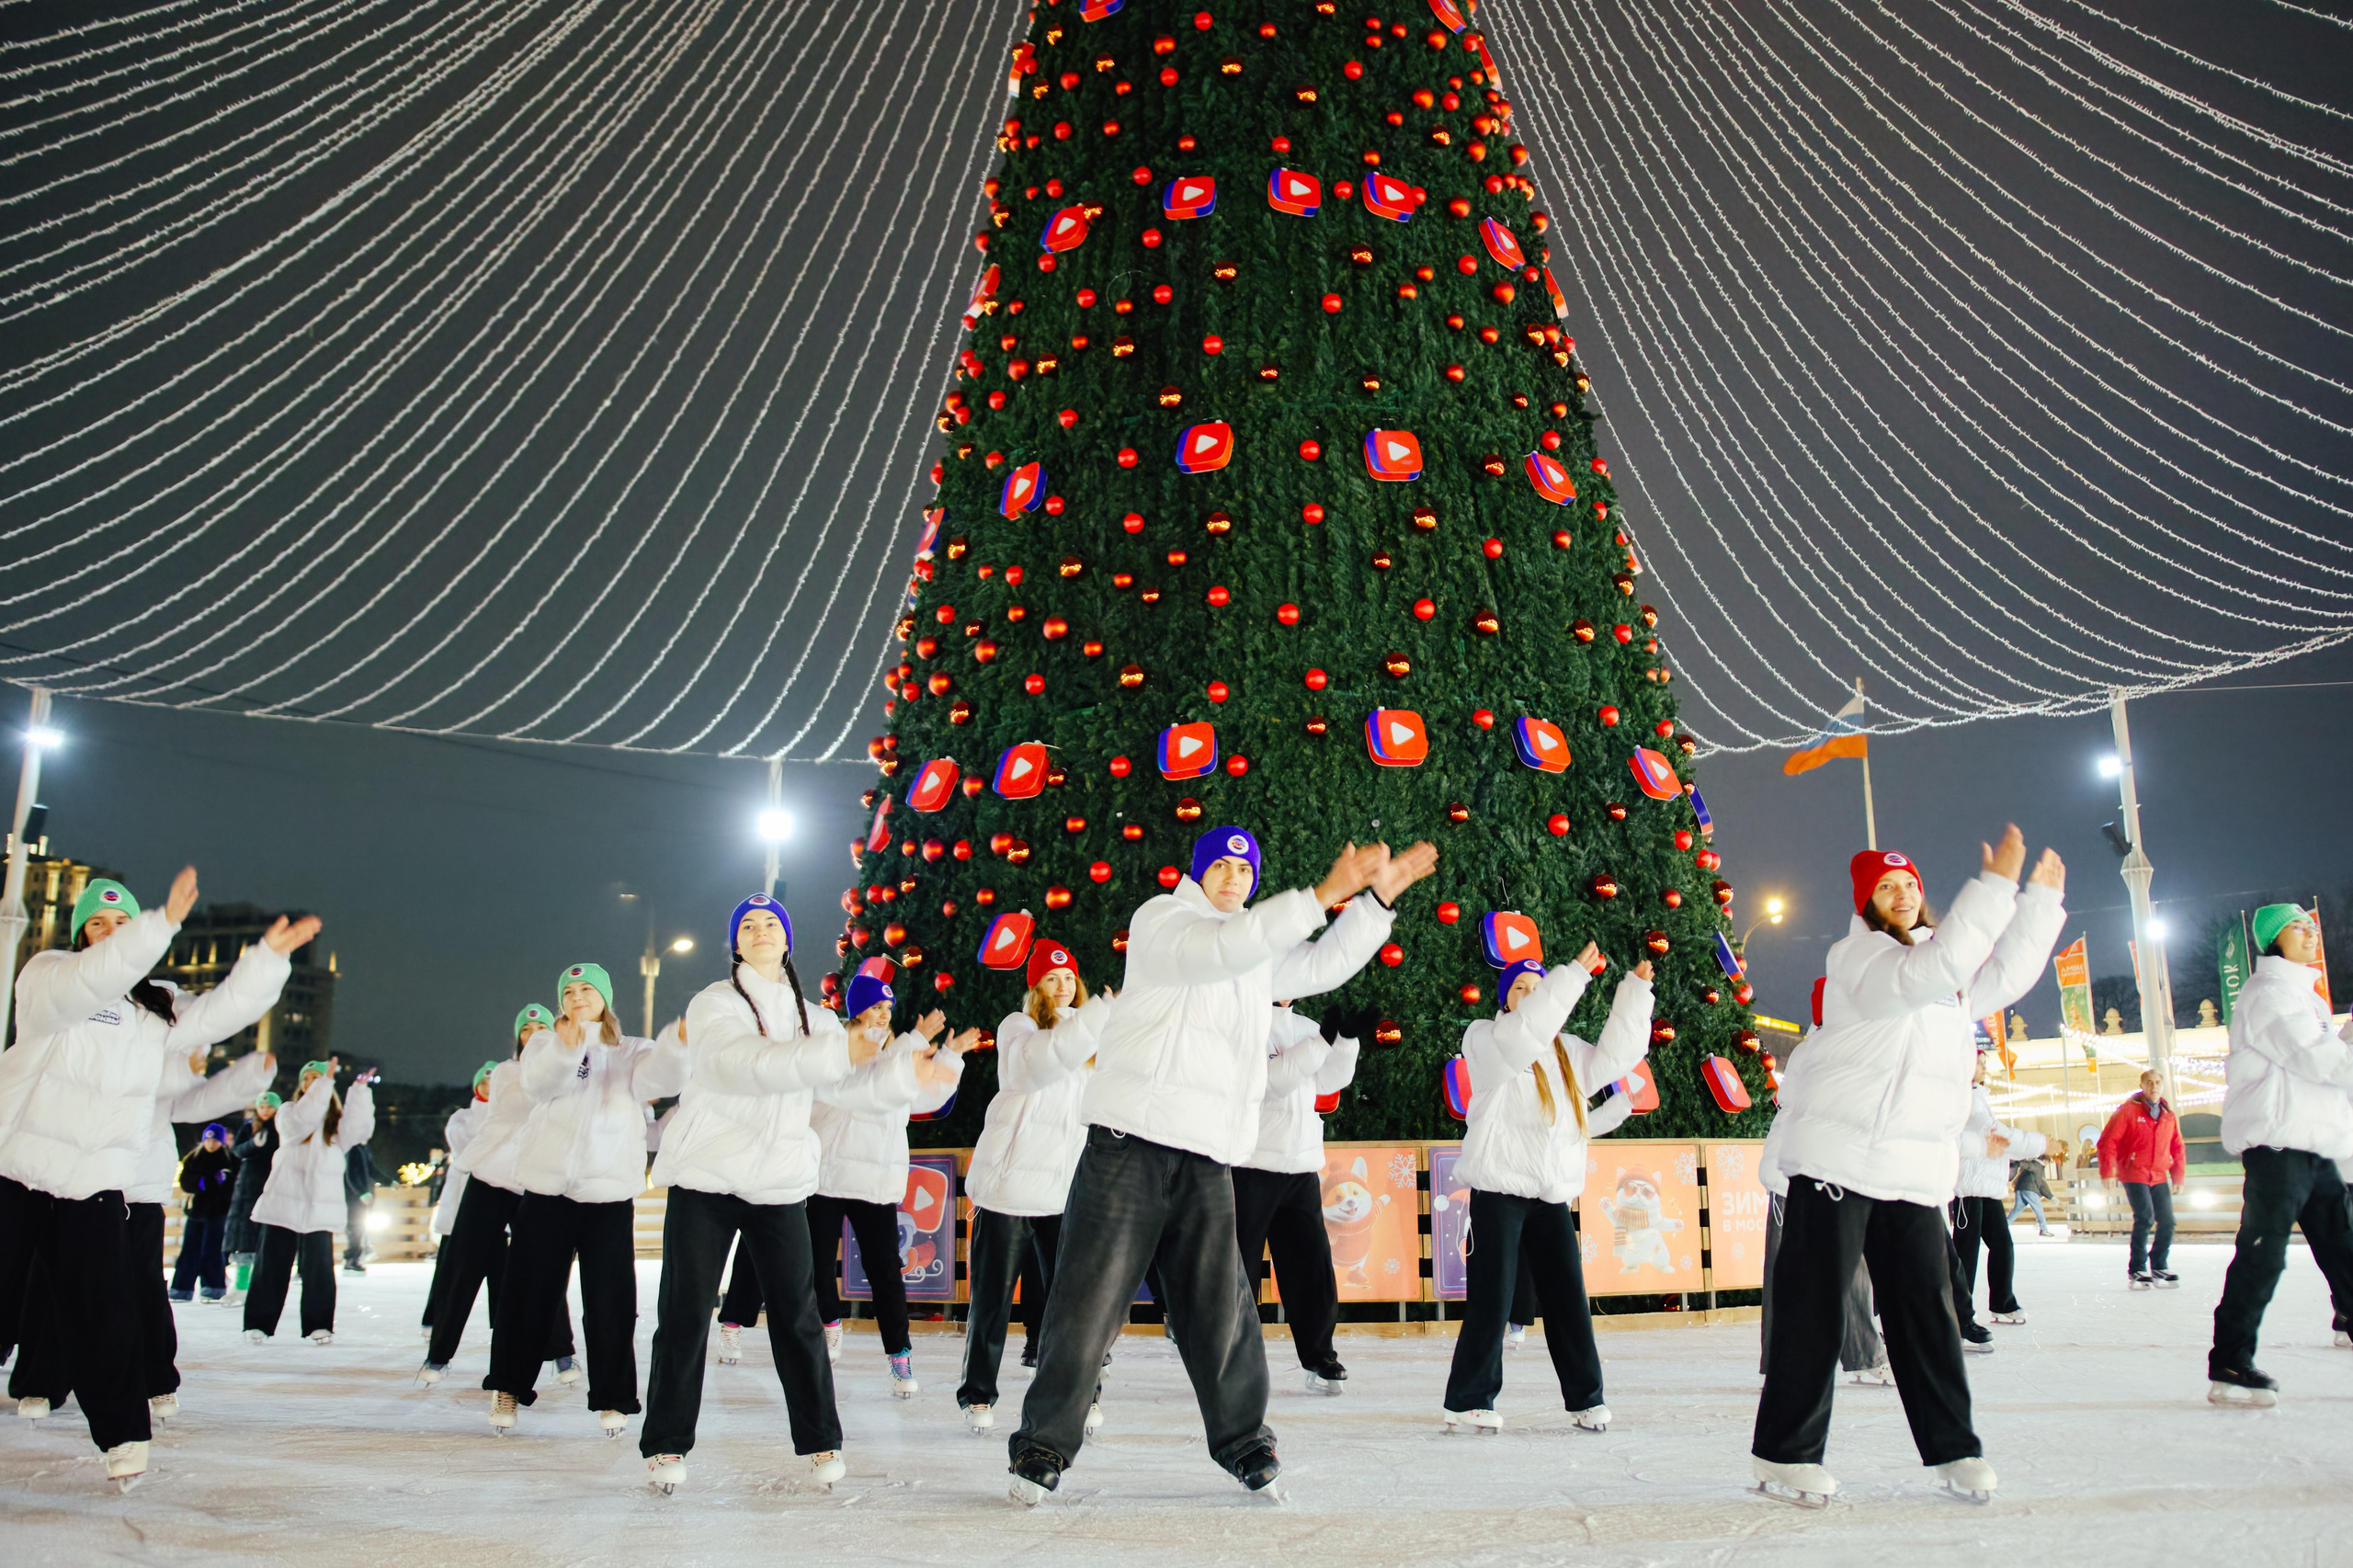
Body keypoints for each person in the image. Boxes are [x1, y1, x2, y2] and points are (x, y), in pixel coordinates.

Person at [1007, 828, 1435, 1506]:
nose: (1234, 878)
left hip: (1207, 1154)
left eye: (1245, 869)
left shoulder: (1257, 951)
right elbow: (1217, 952)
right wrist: (1322, 893)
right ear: (1199, 873)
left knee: (1222, 1309)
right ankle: (1043, 1445)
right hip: (1129, 1143)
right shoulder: (1163, 920)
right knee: (1087, 1302)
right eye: (1222, 866)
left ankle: (1243, 1441)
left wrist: (1375, 904)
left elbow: (1319, 967)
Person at [1751, 831, 2065, 1506]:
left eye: (1911, 885)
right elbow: (1929, 975)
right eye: (1886, 887)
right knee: (1815, 1312)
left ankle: (1954, 1447)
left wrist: (2038, 902)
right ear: (1866, 901)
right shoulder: (1859, 959)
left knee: (1928, 1308)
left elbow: (2003, 976)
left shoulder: (1943, 979)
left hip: (1911, 1170)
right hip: (1837, 1163)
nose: (1902, 895)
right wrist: (1993, 889)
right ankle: (1785, 1453)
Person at [0, 869, 310, 1489]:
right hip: (17, 1170)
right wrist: (158, 924)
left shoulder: (154, 1007)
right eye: (99, 925)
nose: (111, 936)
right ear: (79, 934)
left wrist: (266, 963)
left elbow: (218, 1012)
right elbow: (95, 977)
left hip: (93, 1182)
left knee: (104, 1312)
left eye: (123, 924)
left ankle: (122, 1433)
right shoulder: (48, 976)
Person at [641, 893, 907, 1494]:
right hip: (707, 1175)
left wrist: (907, 1077)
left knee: (798, 1314)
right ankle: (665, 1444)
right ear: (736, 943)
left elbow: (846, 1092)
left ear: (787, 940)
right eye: (748, 926)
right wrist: (834, 1052)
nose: (761, 932)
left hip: (780, 1180)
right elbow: (744, 1063)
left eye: (771, 924)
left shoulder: (818, 1018)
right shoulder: (714, 1004)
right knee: (684, 1316)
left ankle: (821, 1439)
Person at [1442, 948, 1654, 1434]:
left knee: (1567, 1298)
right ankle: (1468, 1399)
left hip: (1551, 1194)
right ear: (1505, 998)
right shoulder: (1487, 1039)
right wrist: (1574, 975)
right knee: (1492, 1299)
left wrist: (1635, 994)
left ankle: (1586, 1396)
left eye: (1539, 990)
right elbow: (1524, 1034)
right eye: (1520, 988)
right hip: (1499, 1191)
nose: (1532, 997)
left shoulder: (1569, 1051)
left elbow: (1619, 1056)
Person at [483, 965, 686, 1438]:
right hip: (548, 1190)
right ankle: (509, 1386)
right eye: (568, 991)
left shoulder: (633, 1049)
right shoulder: (542, 1045)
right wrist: (567, 1046)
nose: (577, 996)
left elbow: (660, 1079)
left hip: (607, 1194)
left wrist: (676, 1042)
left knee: (611, 1301)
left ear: (605, 998)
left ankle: (613, 1397)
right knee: (527, 1295)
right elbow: (538, 1086)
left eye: (586, 989)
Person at [960, 939, 1115, 1432]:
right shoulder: (1019, 1027)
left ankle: (1084, 1392)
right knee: (992, 1301)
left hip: (1064, 1191)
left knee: (1073, 1302)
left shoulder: (1091, 1040)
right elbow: (1037, 1067)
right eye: (1053, 979)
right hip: (1008, 1189)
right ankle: (979, 1394)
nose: (1064, 986)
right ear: (1036, 986)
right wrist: (1092, 1022)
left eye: (1070, 978)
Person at [2205, 903, 2353, 1406]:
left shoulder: (2303, 997)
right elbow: (2312, 1058)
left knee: (2344, 1243)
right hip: (2277, 1145)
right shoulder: (2267, 994)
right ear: (2272, 940)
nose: (2312, 932)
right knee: (2263, 1255)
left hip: (2313, 1146)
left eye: (2313, 925)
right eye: (2299, 926)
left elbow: (2323, 1057)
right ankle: (2229, 1359)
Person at [805, 977, 973, 1398]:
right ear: (856, 1010)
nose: (883, 1014)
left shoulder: (898, 1055)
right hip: (827, 1173)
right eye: (876, 1006)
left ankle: (899, 1354)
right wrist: (913, 1045)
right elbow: (858, 1086)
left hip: (874, 1179)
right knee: (816, 1263)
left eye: (887, 1008)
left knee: (885, 1271)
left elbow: (921, 1097)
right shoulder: (837, 1049)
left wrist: (948, 1058)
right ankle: (828, 1324)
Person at [418, 1009, 580, 1387]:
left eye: (542, 1028)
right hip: (491, 1178)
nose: (534, 1034)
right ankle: (439, 1355)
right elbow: (519, 1106)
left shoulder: (572, 1071)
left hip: (537, 1184)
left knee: (544, 1268)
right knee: (464, 1267)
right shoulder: (506, 1071)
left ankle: (562, 1353)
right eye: (527, 1029)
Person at [1233, 1004, 1361, 1395]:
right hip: (1250, 1163)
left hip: (1300, 1164)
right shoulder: (1241, 1020)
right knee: (1238, 1271)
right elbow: (1271, 1083)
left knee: (1310, 1266)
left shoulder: (1305, 1026)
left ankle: (1319, 1355)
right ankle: (1234, 1363)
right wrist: (1321, 1043)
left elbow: (1329, 1081)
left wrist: (1346, 1041)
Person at [1757, 1002, 1887, 1387]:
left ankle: (1863, 1354)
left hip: (1835, 1172)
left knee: (1852, 1267)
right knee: (1787, 1276)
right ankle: (1782, 1363)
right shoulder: (1813, 1050)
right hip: (1793, 1175)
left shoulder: (1847, 1046)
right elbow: (1800, 1103)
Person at [244, 1060, 378, 1345]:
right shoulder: (288, 1112)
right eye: (309, 1079)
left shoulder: (335, 1124)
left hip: (320, 1204)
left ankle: (319, 1324)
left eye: (318, 1078)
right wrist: (325, 1085)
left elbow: (359, 1130)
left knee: (319, 1268)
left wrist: (360, 1091)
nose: (312, 1083)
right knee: (272, 1265)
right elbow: (301, 1123)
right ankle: (258, 1323)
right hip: (284, 1201)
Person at [1949, 1051, 2044, 1334]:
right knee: (1966, 1253)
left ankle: (2002, 1302)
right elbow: (1991, 1132)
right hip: (1969, 1187)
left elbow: (1996, 1137)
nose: (1984, 1068)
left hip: (1986, 1186)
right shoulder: (1964, 1096)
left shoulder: (1978, 1095)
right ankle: (1958, 1315)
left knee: (2002, 1245)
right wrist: (2037, 1143)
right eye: (1980, 1062)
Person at [421, 1063, 497, 1339]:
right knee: (449, 1269)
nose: (489, 1089)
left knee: (501, 1273)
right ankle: (435, 1318)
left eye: (494, 1084)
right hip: (460, 1206)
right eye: (484, 1084)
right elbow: (466, 1149)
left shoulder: (511, 1117)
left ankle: (503, 1324)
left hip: (498, 1207)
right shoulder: (462, 1118)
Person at [2098, 1068, 2186, 1289]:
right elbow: (2108, 1141)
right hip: (2134, 1172)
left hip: (2158, 1174)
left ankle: (2159, 1264)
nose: (2154, 1086)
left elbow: (2178, 1147)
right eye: (2149, 1082)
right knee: (2145, 1217)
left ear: (2162, 1086)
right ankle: (2137, 1267)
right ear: (2142, 1085)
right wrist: (2107, 1171)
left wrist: (2178, 1177)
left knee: (2167, 1221)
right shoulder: (2128, 1111)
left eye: (2157, 1082)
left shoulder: (2168, 1115)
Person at [222, 1092, 283, 1306]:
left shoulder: (281, 1129)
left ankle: (262, 1286)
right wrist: (253, 1145)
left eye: (270, 1107)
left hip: (270, 1184)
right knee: (244, 1239)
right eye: (262, 1107)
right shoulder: (248, 1127)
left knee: (264, 1238)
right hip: (246, 1186)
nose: (265, 1111)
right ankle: (240, 1285)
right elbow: (237, 1151)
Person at [169, 1125, 238, 1303]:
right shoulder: (194, 1158)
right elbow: (185, 1181)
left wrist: (223, 1183)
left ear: (221, 1142)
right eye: (208, 1140)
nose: (211, 1144)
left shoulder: (230, 1160)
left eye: (215, 1140)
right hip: (197, 1210)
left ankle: (214, 1288)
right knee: (190, 1249)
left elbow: (234, 1185)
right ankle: (181, 1288)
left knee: (213, 1249)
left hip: (219, 1211)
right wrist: (203, 1182)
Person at [343, 1135, 380, 1275]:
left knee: (360, 1228)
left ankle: (356, 1257)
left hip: (364, 1196)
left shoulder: (364, 1149)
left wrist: (391, 1182)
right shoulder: (352, 1149)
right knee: (354, 1228)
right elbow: (350, 1175)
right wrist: (361, 1192)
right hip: (354, 1197)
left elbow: (372, 1170)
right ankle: (351, 1260)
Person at [2008, 1148, 2052, 1236]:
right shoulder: (2037, 1165)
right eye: (2048, 1162)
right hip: (2030, 1190)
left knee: (2017, 1210)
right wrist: (2018, 1163)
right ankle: (2043, 1229)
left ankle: (2004, 1226)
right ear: (2044, 1160)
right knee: (2039, 1209)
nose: (2047, 1164)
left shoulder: (2036, 1166)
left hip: (2019, 1189)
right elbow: (2028, 1166)